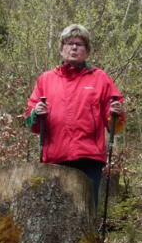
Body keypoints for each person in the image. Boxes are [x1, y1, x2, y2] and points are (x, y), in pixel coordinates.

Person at [24, 24, 125, 210]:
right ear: (61, 49)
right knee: (55, 212)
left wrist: (115, 113)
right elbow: (31, 123)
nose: (74, 48)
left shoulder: (100, 78)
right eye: (69, 43)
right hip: (54, 158)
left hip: (89, 158)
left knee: (86, 211)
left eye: (79, 44)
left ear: (87, 51)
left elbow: (114, 124)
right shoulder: (46, 79)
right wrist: (35, 113)